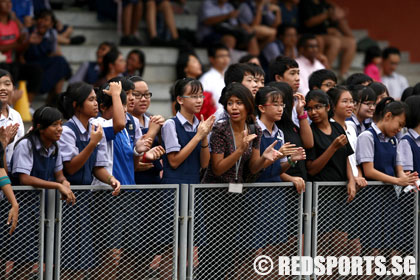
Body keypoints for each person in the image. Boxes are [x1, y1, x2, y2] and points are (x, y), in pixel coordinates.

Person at [57, 82, 121, 278]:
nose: (96, 104)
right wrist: (92, 144)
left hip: (85, 200)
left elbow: (97, 167)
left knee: (82, 260)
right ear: (76, 105)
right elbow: (71, 167)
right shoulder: (67, 130)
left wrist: (111, 179)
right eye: (91, 99)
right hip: (66, 199)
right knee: (66, 258)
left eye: (96, 99)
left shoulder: (95, 127)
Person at [8, 106, 75, 278]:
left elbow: (59, 175)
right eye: (54, 125)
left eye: (60, 124)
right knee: (23, 259)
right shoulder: (26, 145)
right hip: (23, 208)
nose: (60, 128)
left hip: (43, 209)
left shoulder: (55, 146)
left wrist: (65, 183)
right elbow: (24, 178)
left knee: (40, 258)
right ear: (40, 127)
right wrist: (57, 186)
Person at [356, 97, 418, 253]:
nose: (399, 129)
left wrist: (405, 178)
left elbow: (398, 167)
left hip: (390, 198)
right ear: (388, 116)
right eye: (400, 124)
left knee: (391, 248)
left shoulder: (394, 141)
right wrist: (397, 180)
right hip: (371, 199)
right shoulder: (367, 137)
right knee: (371, 248)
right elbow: (369, 171)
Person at [305, 89, 356, 260]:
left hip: (341, 193)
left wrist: (351, 180)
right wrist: (332, 148)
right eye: (309, 109)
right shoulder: (310, 133)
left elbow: (347, 157)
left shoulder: (336, 127)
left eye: (317, 107)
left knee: (341, 245)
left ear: (328, 107)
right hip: (321, 195)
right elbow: (311, 169)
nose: (313, 112)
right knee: (323, 246)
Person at [298, 0, 356, 79]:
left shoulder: (324, 3)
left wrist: (338, 14)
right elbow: (309, 23)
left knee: (351, 43)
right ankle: (325, 73)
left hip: (325, 34)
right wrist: (327, 15)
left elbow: (335, 17)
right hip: (311, 34)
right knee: (335, 41)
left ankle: (343, 75)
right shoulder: (305, 3)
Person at [23, 9, 71, 104]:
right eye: (40, 18)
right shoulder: (28, 31)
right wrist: (28, 42)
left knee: (60, 63)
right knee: (60, 66)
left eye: (46, 20)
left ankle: (55, 100)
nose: (42, 22)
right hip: (30, 63)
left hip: (43, 62)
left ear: (51, 24)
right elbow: (20, 55)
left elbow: (54, 52)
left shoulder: (52, 33)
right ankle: (55, 101)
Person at [0, 70, 23, 170]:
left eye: (7, 84)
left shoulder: (16, 115)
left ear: (13, 88)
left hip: (14, 173)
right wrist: (3, 143)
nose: (2, 88)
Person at [199, 43, 230, 111]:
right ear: (212, 59)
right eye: (221, 56)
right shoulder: (206, 79)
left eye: (227, 55)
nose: (225, 59)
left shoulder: (232, 75)